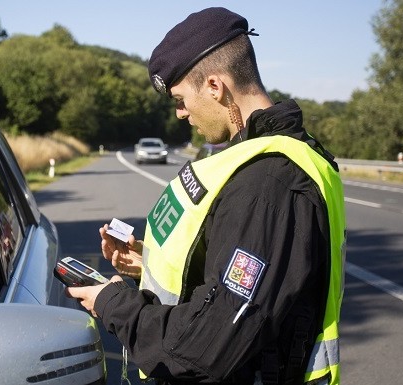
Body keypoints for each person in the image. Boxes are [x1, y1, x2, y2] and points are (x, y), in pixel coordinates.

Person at [66, 7, 346, 385]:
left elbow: (206, 348)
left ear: (215, 86)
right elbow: (232, 273)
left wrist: (113, 302)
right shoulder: (251, 159)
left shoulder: (268, 181)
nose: (180, 113)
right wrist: (146, 262)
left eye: (181, 99)